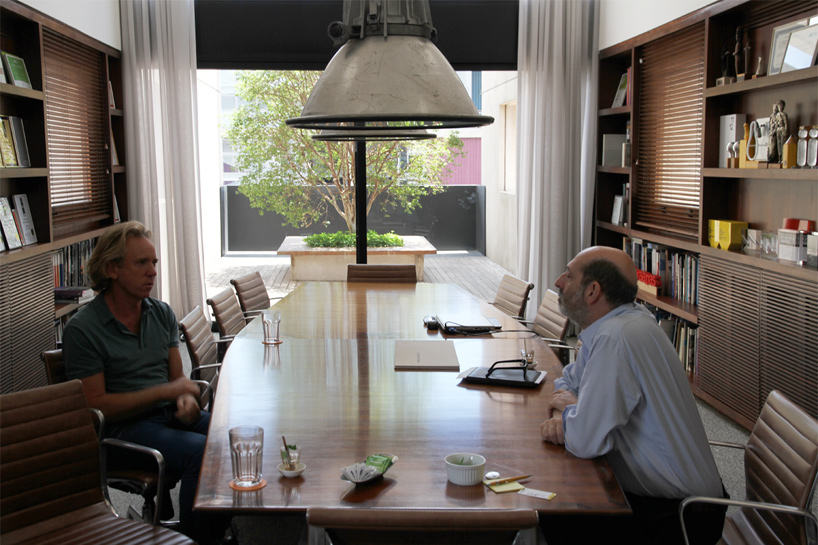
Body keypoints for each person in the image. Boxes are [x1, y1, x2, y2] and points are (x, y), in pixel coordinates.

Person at [540, 246, 726, 545]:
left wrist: (572, 411)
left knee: (554, 512)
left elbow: (585, 440)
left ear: (592, 291)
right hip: (679, 500)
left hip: (681, 517)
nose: (560, 281)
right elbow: (568, 381)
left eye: (569, 274)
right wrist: (576, 408)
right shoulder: (620, 322)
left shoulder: (616, 338)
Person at [63, 221, 233, 545]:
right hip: (121, 433)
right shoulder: (83, 329)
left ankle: (205, 532)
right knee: (202, 453)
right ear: (112, 269)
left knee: (231, 434)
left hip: (166, 418)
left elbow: (178, 380)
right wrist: (171, 391)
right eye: (141, 263)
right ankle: (197, 538)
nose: (152, 271)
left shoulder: (161, 313)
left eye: (154, 262)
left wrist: (185, 399)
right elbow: (95, 405)